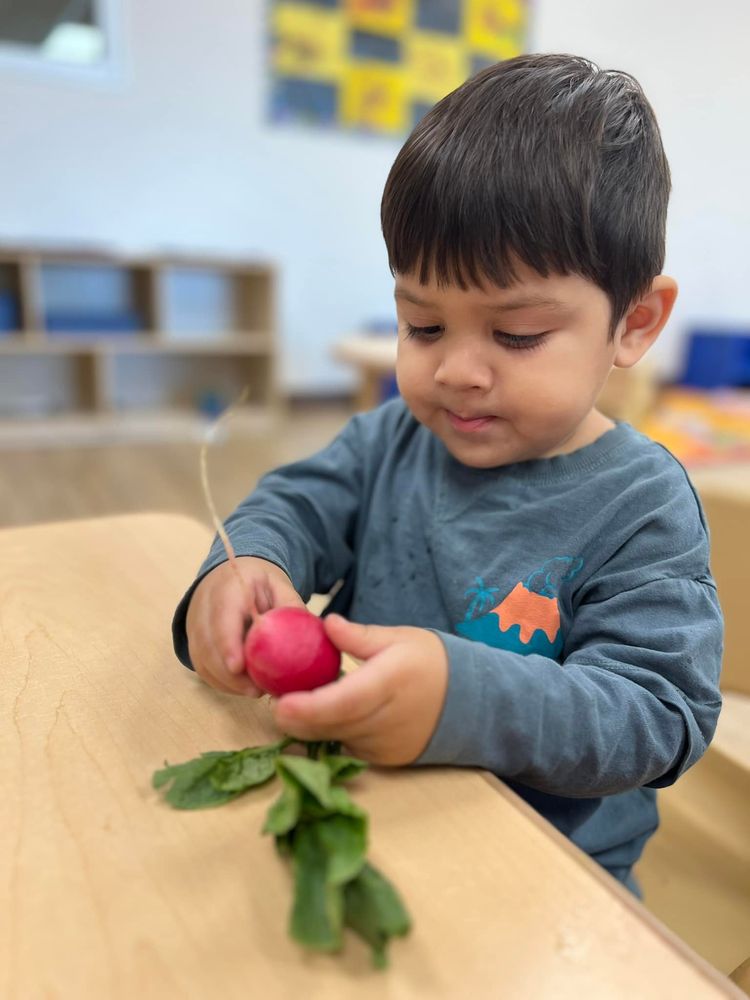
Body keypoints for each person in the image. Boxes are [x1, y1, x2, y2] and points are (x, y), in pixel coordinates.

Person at [173, 54, 723, 896]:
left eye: (517, 335)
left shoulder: (643, 506)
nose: (457, 371)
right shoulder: (393, 438)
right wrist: (247, 566)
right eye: (423, 325)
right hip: (366, 815)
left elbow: (659, 717)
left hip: (551, 882)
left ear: (634, 323)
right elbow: (294, 503)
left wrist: (459, 700)